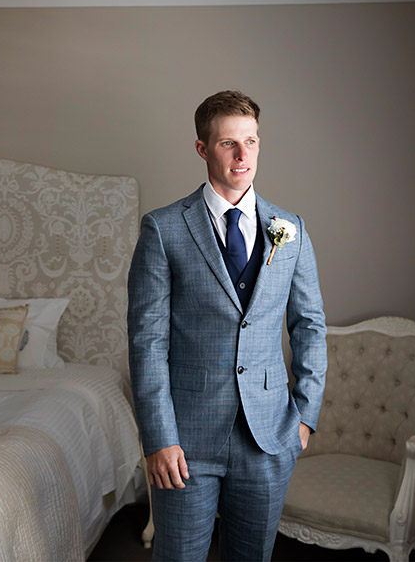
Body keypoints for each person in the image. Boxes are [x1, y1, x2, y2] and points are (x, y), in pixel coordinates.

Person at [127, 90, 327, 561]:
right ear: (202, 148)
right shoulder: (163, 229)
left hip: (269, 437)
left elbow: (311, 325)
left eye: (251, 142)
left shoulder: (290, 228)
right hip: (186, 440)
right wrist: (159, 437)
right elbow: (147, 341)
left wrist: (305, 418)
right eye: (228, 144)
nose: (243, 156)